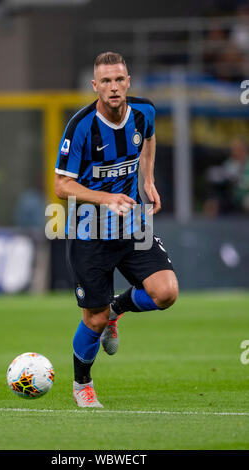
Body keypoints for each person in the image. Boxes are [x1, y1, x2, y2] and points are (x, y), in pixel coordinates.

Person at [54, 52, 179, 408]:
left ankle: (116, 307)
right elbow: (61, 186)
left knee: (166, 292)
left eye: (119, 79)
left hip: (131, 224)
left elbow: (149, 139)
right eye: (105, 81)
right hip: (88, 233)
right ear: (95, 86)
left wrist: (148, 179)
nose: (113, 87)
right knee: (92, 320)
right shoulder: (80, 127)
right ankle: (82, 384)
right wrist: (104, 197)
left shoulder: (144, 112)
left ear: (129, 82)